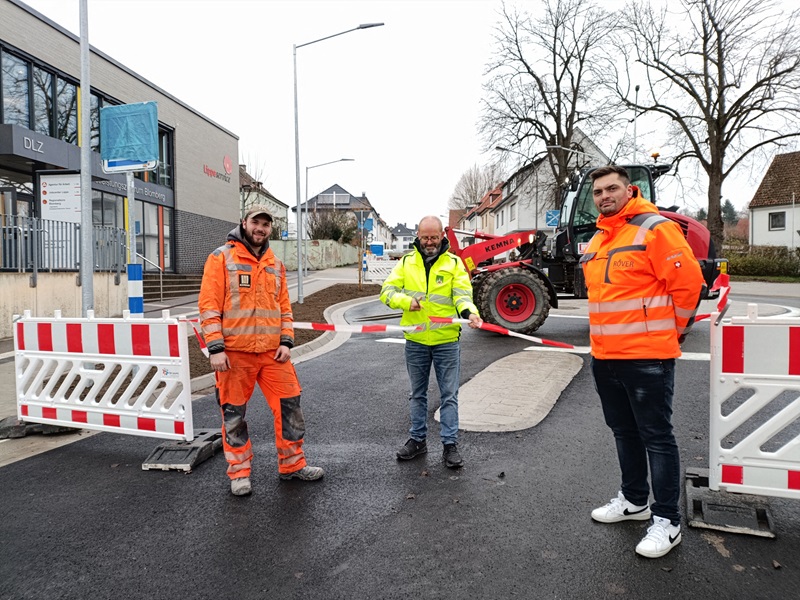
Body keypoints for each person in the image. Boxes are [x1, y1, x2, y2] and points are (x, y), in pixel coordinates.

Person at [581, 165, 704, 558]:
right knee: (624, 432)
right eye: (598, 191)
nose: (604, 196)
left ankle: (667, 522)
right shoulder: (599, 238)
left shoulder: (655, 228)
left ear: (628, 190)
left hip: (647, 357)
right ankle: (634, 501)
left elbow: (688, 286)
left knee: (656, 436)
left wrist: (674, 332)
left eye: (611, 188)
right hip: (606, 357)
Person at [198, 205, 323, 496]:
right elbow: (208, 307)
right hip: (234, 355)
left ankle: (292, 465)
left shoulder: (275, 264)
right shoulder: (221, 258)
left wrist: (286, 341)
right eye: (256, 222)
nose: (261, 228)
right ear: (244, 222)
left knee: (290, 406)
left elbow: (284, 308)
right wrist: (215, 348)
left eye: (266, 224)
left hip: (272, 354)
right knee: (234, 416)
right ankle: (239, 473)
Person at [380, 215, 482, 469]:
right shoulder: (406, 263)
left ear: (441, 236)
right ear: (418, 236)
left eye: (433, 237)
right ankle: (418, 440)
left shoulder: (454, 264)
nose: (429, 242)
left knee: (449, 395)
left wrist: (470, 313)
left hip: (446, 341)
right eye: (425, 237)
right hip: (415, 340)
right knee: (417, 394)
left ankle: (450, 445)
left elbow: (462, 296)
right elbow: (387, 292)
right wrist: (406, 302)